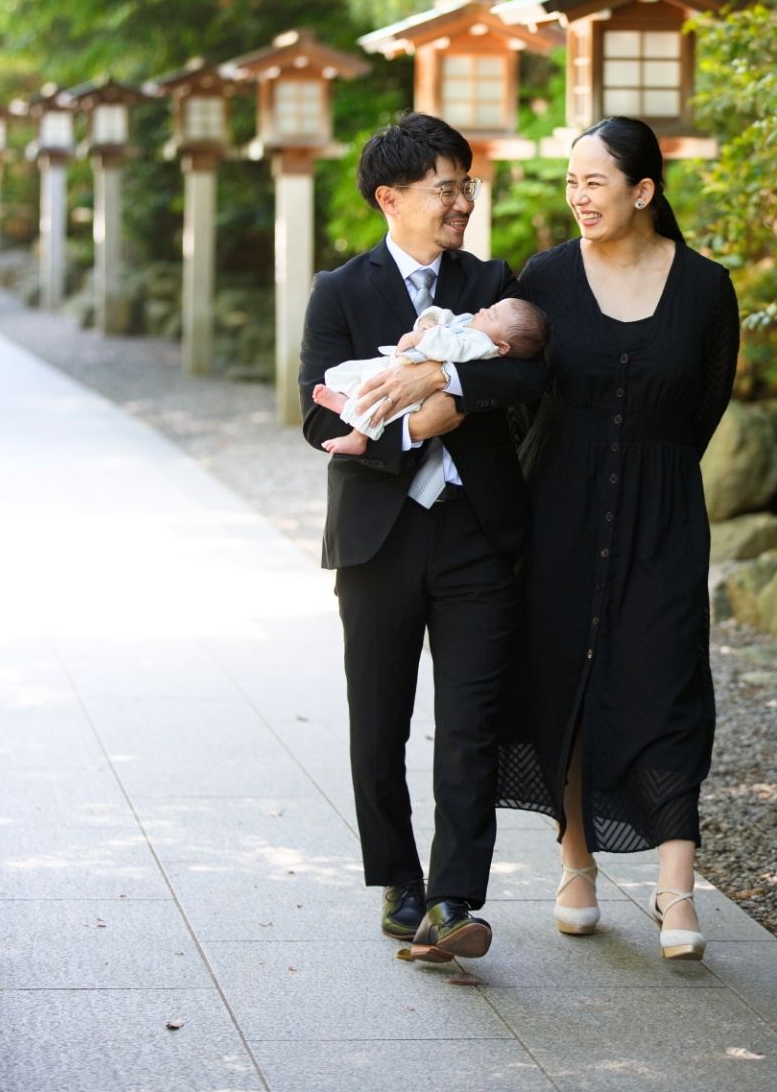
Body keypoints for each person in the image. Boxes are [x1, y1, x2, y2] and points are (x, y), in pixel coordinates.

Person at [298, 111, 547, 963]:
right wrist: (415, 426)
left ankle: (454, 898)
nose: (463, 203)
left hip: (478, 531)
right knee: (380, 719)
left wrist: (441, 375)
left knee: (472, 719)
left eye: (467, 186)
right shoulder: (339, 291)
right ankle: (398, 880)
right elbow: (312, 414)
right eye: (446, 188)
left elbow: (525, 370)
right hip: (377, 538)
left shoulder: (492, 279)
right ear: (390, 197)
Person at [496, 115, 740, 962]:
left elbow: (704, 403)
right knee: (566, 672)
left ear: (644, 191)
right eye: (572, 181)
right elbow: (527, 400)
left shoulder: (707, 289)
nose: (578, 196)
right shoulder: (547, 280)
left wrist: (650, 468)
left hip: (665, 510)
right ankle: (576, 864)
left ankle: (678, 893)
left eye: (594, 181)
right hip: (559, 502)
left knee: (670, 681)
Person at [311, 297, 550, 455]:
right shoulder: (473, 324)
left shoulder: (482, 344)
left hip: (420, 396)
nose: (485, 310)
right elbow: (448, 319)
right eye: (492, 307)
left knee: (382, 401)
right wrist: (430, 320)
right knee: (366, 378)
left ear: (502, 347)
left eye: (493, 315)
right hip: (401, 365)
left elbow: (451, 347)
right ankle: (349, 404)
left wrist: (423, 343)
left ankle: (357, 433)